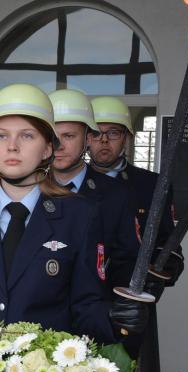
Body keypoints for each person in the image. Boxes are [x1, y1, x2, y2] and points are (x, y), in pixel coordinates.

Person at [0, 84, 149, 372]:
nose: (12, 146)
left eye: (26, 135)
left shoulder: (78, 215)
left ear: (48, 148)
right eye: (2, 136)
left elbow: (84, 305)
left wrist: (117, 320)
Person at [88, 96, 184, 372]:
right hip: (86, 302)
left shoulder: (151, 185)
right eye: (95, 134)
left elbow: (170, 245)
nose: (103, 142)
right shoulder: (69, 185)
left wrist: (165, 270)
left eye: (113, 134)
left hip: (132, 302)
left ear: (127, 138)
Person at [48, 89, 137, 292]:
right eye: (53, 136)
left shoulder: (117, 195)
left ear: (88, 138)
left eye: (68, 136)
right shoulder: (28, 190)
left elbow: (126, 263)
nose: (58, 146)